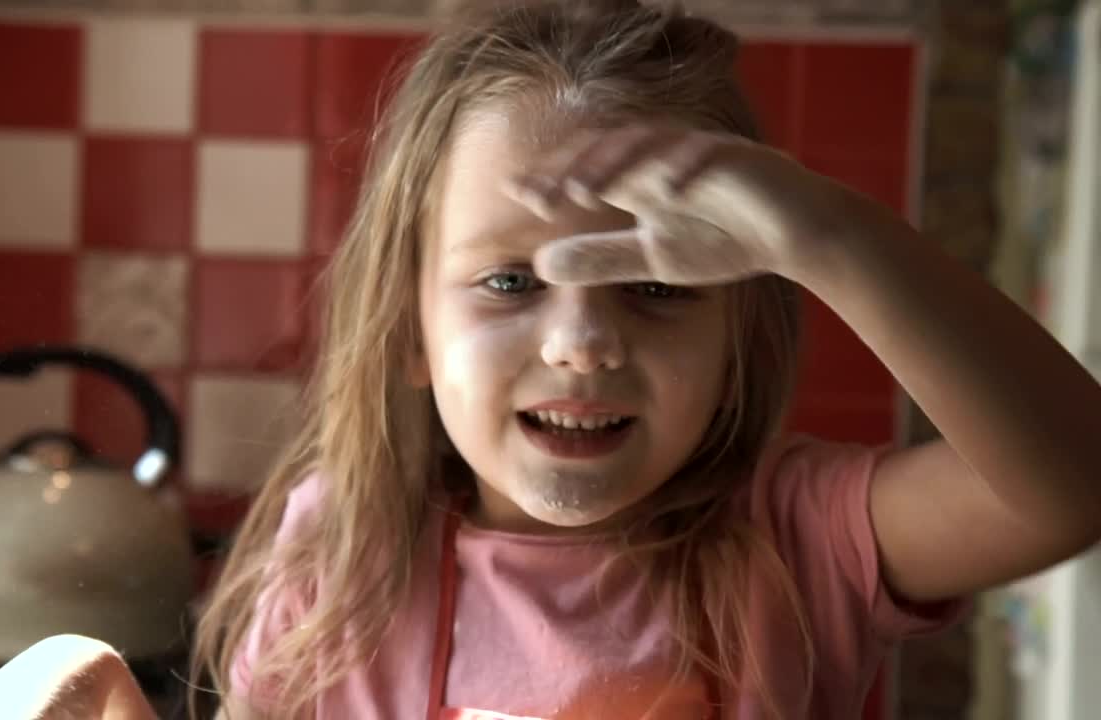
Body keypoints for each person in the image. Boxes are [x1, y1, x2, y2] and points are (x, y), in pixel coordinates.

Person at [189, 1, 1101, 718]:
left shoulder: (797, 543)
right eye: (510, 283)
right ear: (405, 331)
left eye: (658, 287)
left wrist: (828, 237)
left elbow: (1072, 488)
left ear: (738, 339)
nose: (582, 343)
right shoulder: (338, 558)